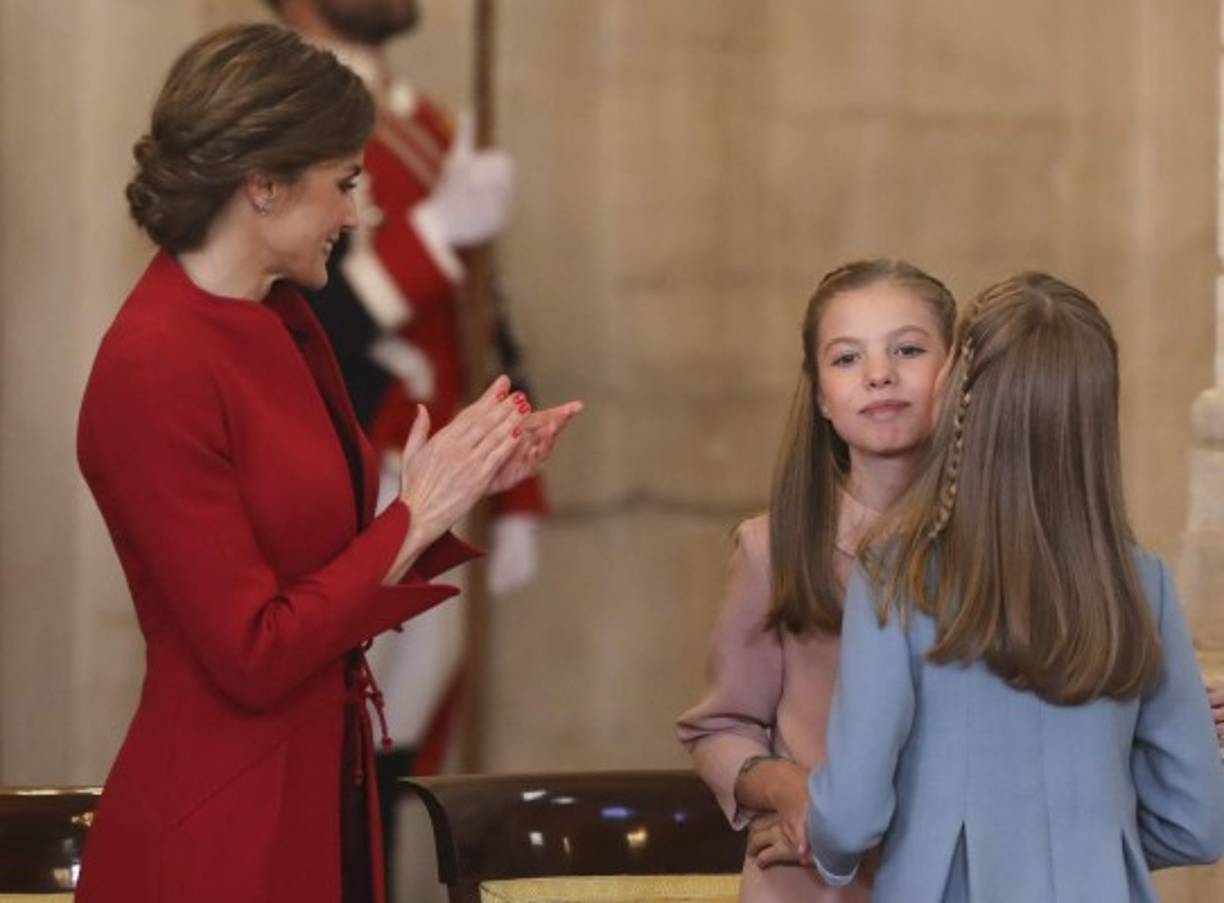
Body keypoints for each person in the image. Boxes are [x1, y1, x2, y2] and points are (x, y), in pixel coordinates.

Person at [74, 24, 579, 903]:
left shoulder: (281, 316)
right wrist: (413, 513)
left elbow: (325, 570)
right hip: (219, 835)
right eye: (344, 184)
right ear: (263, 185)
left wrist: (462, 480)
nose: (355, 214)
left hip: (322, 795)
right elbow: (255, 651)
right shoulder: (153, 362)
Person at [801, 273, 1224, 901]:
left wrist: (832, 861)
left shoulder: (895, 574)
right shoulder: (1143, 582)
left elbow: (854, 809)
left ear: (957, 392)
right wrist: (1093, 843)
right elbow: (1199, 820)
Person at [268, 0, 544, 820]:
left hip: (429, 464)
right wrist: (431, 234)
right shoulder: (280, 114)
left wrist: (519, 490)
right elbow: (296, 320)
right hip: (341, 458)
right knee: (337, 725)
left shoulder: (423, 123)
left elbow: (477, 316)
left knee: (410, 730)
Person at [676, 258, 958, 901]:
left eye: (908, 349)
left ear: (957, 371)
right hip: (813, 882)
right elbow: (718, 727)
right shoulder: (772, 547)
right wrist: (789, 788)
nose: (880, 374)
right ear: (821, 395)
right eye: (847, 358)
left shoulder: (1006, 545)